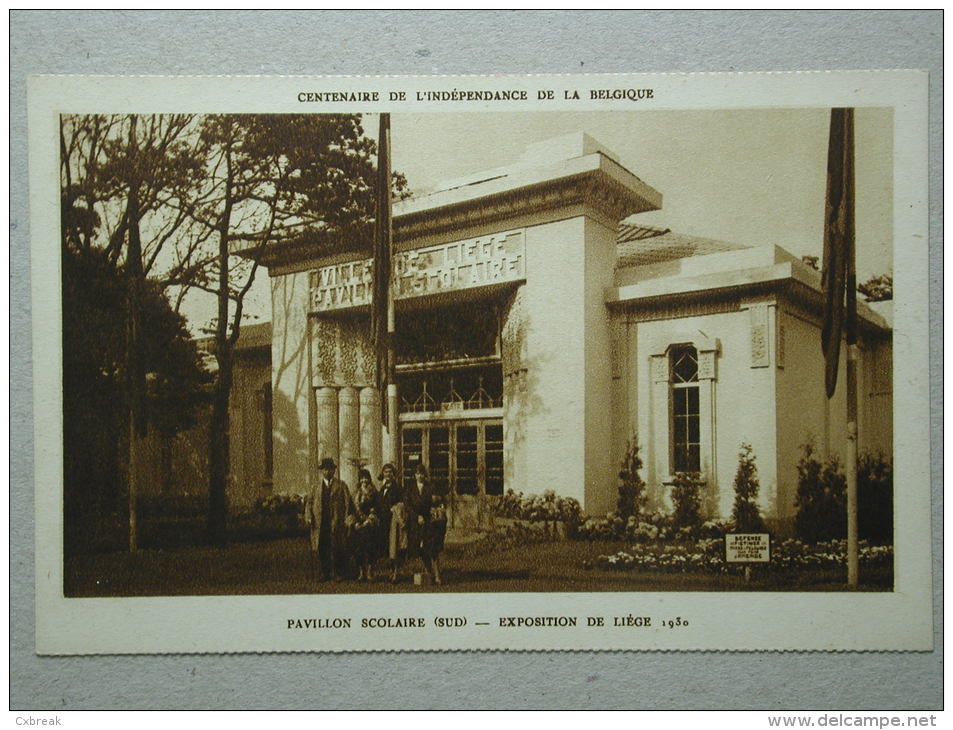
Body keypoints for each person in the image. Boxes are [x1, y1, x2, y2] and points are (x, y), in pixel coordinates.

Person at [304, 457, 353, 582]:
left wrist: (347, 517)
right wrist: (309, 517)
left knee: (337, 547)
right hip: (320, 522)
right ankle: (325, 573)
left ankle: (338, 573)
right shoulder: (316, 486)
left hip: (336, 521)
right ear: (322, 471)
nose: (327, 472)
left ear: (334, 471)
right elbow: (309, 503)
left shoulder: (341, 485)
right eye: (325, 470)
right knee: (322, 547)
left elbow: (348, 503)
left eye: (330, 469)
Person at [413, 463, 448, 585]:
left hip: (430, 523)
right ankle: (429, 573)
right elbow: (409, 504)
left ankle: (437, 575)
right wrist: (417, 516)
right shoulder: (411, 488)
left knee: (433, 549)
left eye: (422, 473)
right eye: (417, 473)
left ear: (425, 475)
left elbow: (439, 501)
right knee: (420, 549)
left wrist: (438, 506)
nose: (420, 476)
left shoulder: (430, 487)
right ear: (414, 475)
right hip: (416, 523)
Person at [379, 462, 412, 583]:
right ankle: (391, 571)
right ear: (383, 474)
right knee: (388, 548)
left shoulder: (397, 489)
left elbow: (402, 503)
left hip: (394, 522)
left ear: (393, 474)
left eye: (390, 472)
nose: (388, 474)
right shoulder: (382, 488)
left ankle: (396, 572)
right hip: (384, 522)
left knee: (395, 547)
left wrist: (396, 507)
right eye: (385, 472)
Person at [350, 468, 381, 581]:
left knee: (370, 548)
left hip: (370, 525)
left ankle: (369, 571)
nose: (364, 480)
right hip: (358, 525)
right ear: (359, 480)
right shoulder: (355, 493)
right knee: (358, 548)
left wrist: (369, 520)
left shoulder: (374, 493)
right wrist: (356, 522)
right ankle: (361, 571)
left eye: (366, 478)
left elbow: (377, 508)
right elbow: (352, 509)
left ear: (369, 479)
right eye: (362, 478)